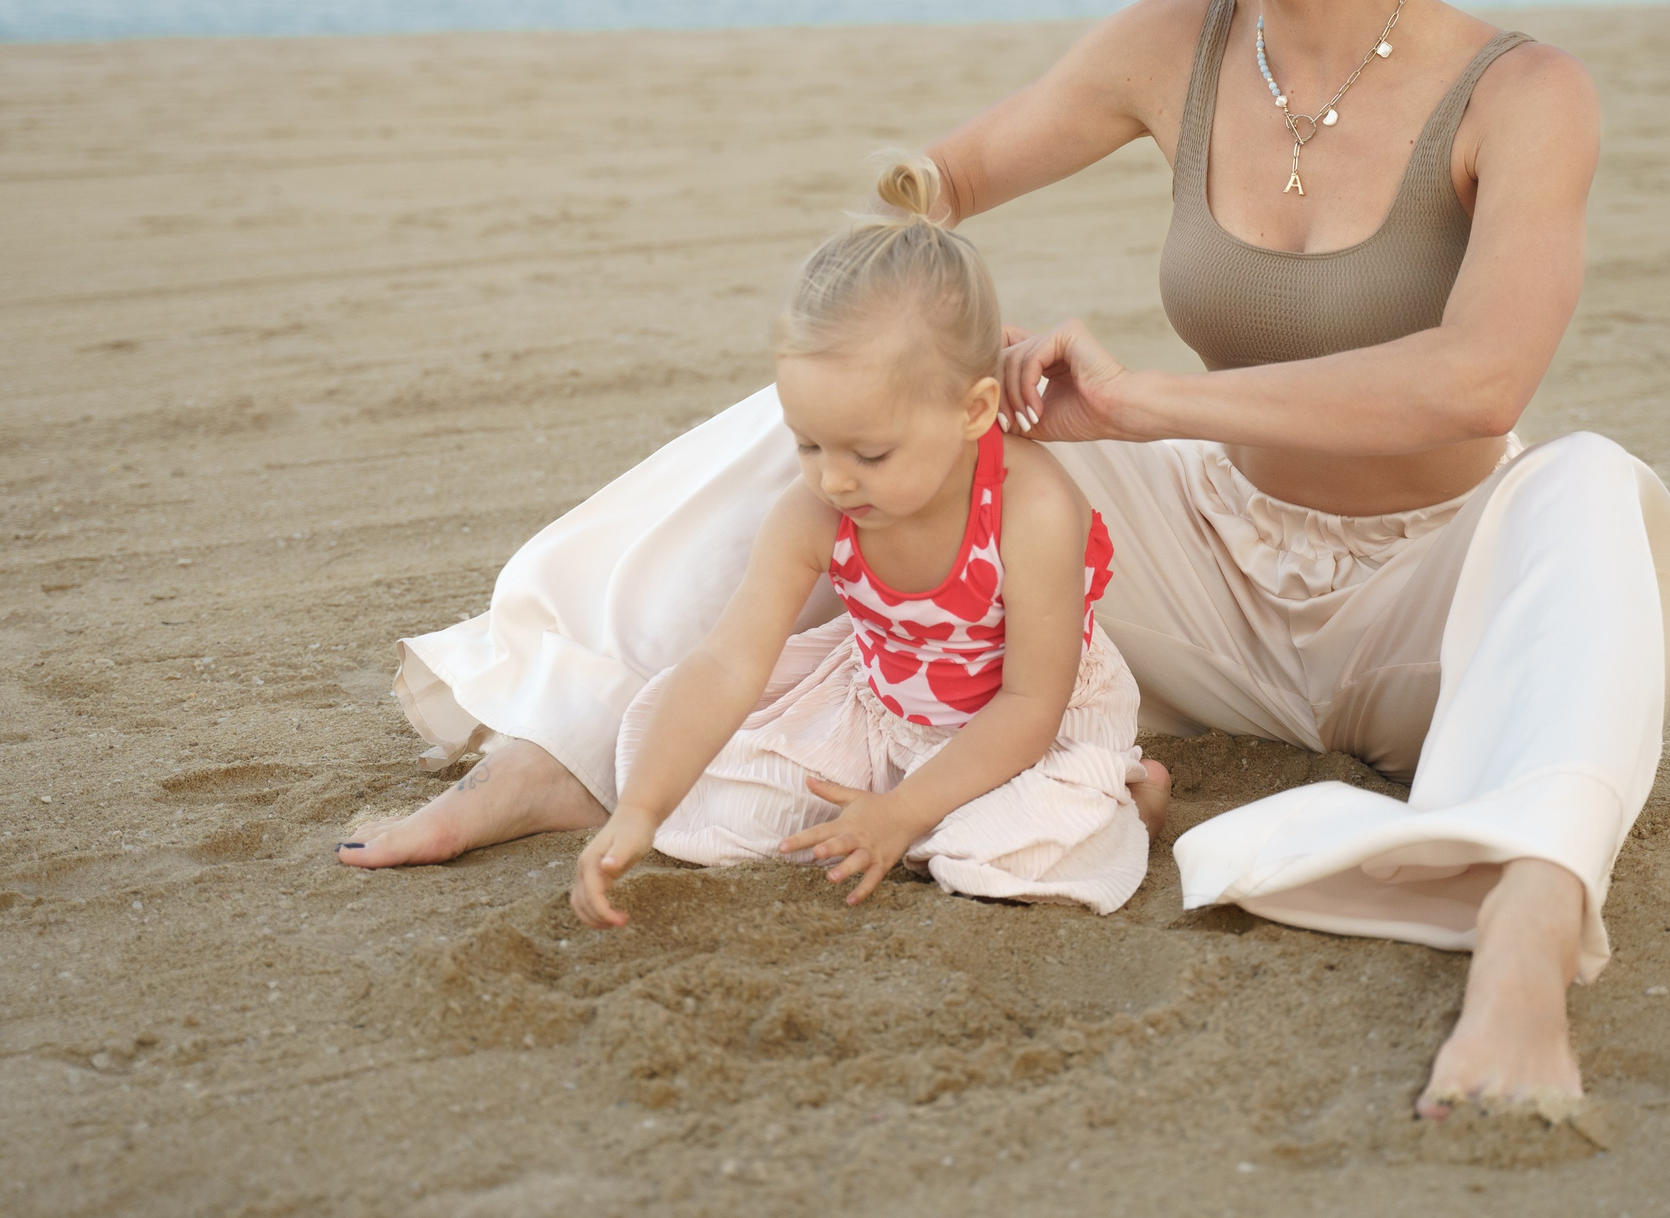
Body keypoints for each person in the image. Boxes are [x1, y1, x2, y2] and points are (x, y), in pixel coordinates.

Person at [339, 0, 1670, 1123]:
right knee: (857, 421)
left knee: (1596, 488)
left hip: (1432, 612)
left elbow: (1477, 375)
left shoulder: (1521, 92)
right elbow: (951, 179)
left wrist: (1154, 403)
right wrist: (902, 246)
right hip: (1211, 585)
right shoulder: (1169, 44)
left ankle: (1521, 954)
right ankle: (574, 744)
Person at [357, 157, 1168, 924]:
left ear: (974, 411)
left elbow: (1031, 703)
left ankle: (1125, 791)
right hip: (885, 710)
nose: (834, 481)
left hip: (1028, 726)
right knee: (715, 815)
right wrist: (640, 810)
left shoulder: (1031, 509)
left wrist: (901, 813)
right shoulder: (816, 513)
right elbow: (726, 664)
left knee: (989, 864)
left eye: (869, 453)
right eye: (808, 444)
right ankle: (922, 812)